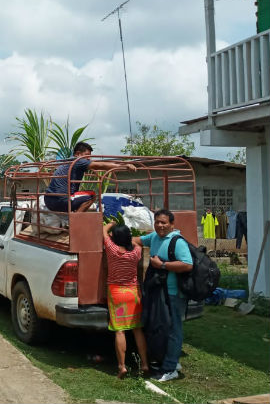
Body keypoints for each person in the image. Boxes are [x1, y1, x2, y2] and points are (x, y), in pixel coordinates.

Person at [133, 209, 193, 382]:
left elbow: (187, 264)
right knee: (163, 328)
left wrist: (163, 265)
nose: (160, 225)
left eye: (164, 222)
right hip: (160, 293)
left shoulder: (177, 241)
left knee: (174, 330)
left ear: (172, 224)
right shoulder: (154, 237)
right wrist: (118, 239)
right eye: (157, 222)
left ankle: (170, 369)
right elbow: (138, 240)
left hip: (174, 293)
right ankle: (169, 361)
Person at [103, 221, 149, 378]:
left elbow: (103, 231)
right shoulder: (136, 252)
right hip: (133, 293)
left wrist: (110, 224)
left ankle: (122, 366)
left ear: (115, 238)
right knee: (137, 329)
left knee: (120, 331)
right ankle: (144, 364)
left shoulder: (112, 249)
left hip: (116, 293)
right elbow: (136, 242)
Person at [44, 142, 137, 213]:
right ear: (78, 154)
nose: (89, 159)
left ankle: (74, 217)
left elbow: (93, 167)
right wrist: (124, 166)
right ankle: (75, 222)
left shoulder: (67, 161)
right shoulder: (79, 161)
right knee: (91, 195)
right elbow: (101, 165)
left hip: (48, 201)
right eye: (87, 155)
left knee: (79, 195)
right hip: (61, 201)